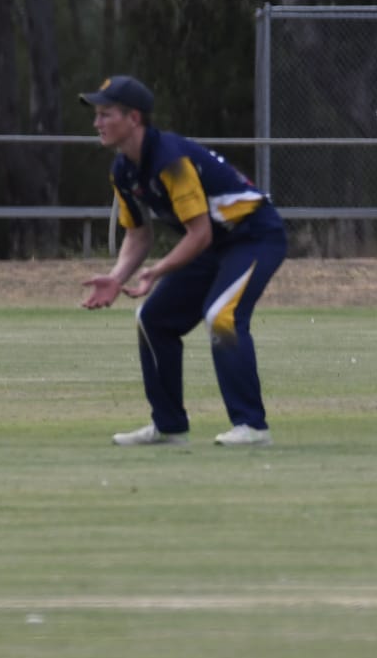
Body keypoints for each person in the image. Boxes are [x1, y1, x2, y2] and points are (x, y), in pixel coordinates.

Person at [78, 75, 288, 446]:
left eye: (105, 114)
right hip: (214, 244)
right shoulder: (123, 170)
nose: (97, 123)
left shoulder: (170, 161)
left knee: (221, 315)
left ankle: (252, 426)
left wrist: (158, 271)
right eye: (96, 115)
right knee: (152, 318)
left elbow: (199, 233)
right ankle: (169, 426)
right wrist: (116, 277)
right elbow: (139, 234)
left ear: (134, 119)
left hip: (255, 235)